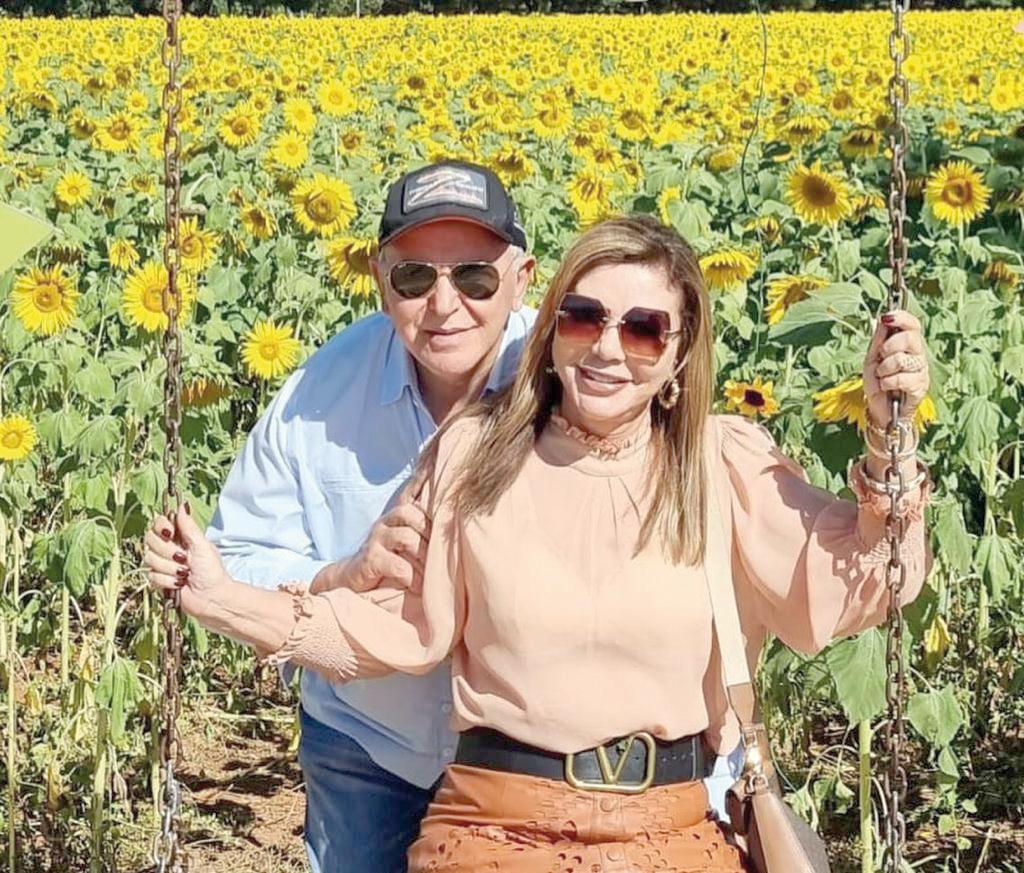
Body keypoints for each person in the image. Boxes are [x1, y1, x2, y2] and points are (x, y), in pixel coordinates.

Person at [146, 215, 933, 872]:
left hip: (672, 834)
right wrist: (225, 599)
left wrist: (885, 434)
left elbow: (859, 576)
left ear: (680, 355)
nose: (607, 348)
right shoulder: (475, 454)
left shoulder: (720, 463)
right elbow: (386, 628)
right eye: (586, 317)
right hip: (496, 832)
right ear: (554, 326)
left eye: (645, 329)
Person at [202, 160, 537, 872]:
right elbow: (232, 554)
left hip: (522, 753)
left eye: (474, 276)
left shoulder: (574, 376)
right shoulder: (321, 394)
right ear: (381, 282)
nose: (445, 305)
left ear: (521, 278)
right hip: (366, 742)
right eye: (416, 278)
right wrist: (340, 572)